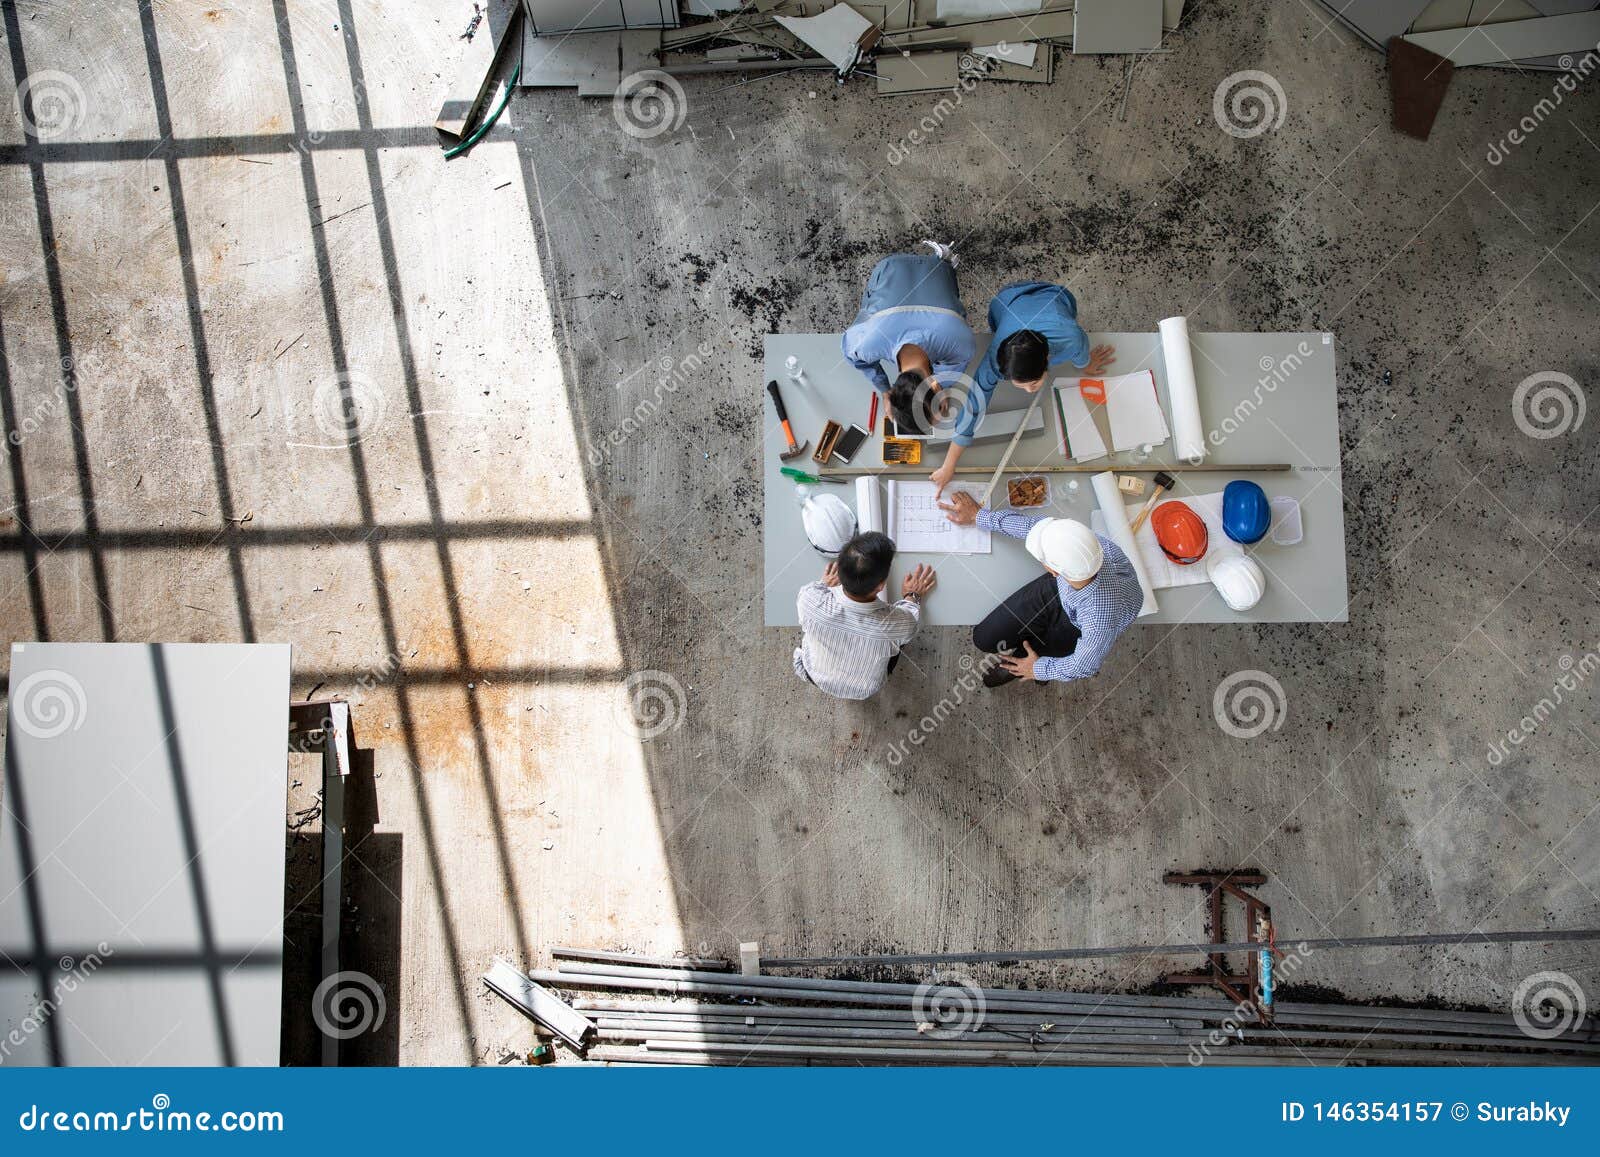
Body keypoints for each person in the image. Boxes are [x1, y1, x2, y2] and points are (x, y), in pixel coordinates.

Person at [937, 492, 1141, 689]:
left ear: (1053, 570)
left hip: (1078, 627)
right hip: (1063, 591)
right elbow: (1031, 527)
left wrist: (1038, 669)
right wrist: (979, 516)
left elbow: (1084, 665)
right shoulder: (1091, 546)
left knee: (1040, 658)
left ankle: (1030, 663)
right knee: (983, 638)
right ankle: (1032, 646)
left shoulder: (1099, 622)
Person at [930, 281, 1117, 494]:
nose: (1030, 391)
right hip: (1008, 300)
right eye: (1022, 385)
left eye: (1034, 383)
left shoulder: (1070, 337)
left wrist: (1085, 364)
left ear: (1047, 359)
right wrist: (948, 465)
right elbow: (973, 406)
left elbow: (1081, 349)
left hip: (1052, 298)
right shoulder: (995, 360)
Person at [841, 242, 976, 436]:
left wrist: (942, 388)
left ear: (935, 385)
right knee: (868, 314)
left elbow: (952, 368)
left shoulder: (962, 344)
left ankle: (944, 261)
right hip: (891, 268)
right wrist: (886, 390)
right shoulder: (867, 344)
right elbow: (848, 351)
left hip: (922, 269)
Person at [793, 531, 937, 700]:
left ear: (839, 572)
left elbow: (816, 590)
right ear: (881, 586)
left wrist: (825, 584)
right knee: (898, 640)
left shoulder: (809, 600)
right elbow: (911, 618)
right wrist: (912, 595)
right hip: (864, 690)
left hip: (815, 676)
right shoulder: (898, 625)